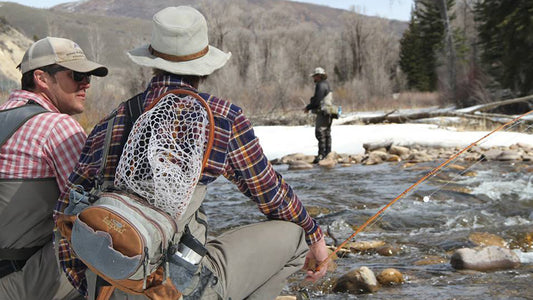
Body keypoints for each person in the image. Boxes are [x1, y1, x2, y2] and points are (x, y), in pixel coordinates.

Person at [54, 6, 329, 300]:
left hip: (111, 282)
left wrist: (86, 286)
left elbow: (63, 211)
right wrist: (315, 235)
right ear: (205, 65)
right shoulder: (222, 117)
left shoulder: (111, 121)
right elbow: (270, 194)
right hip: (172, 288)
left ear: (153, 61)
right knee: (296, 235)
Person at [0, 37, 108, 299]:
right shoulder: (58, 127)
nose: (86, 83)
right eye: (77, 75)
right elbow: (95, 211)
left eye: (89, 76)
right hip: (21, 281)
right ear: (42, 78)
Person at [304, 67, 333, 163]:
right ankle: (328, 153)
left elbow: (317, 100)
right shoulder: (327, 84)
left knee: (320, 133)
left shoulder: (320, 85)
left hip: (323, 112)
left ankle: (322, 155)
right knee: (327, 133)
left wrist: (308, 107)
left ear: (319, 76)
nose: (314, 79)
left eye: (315, 76)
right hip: (329, 112)